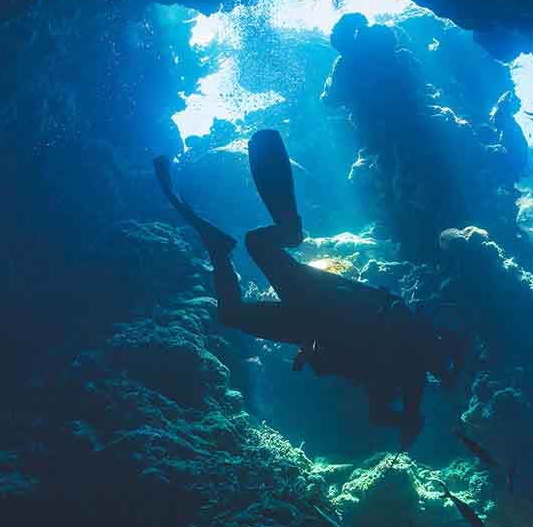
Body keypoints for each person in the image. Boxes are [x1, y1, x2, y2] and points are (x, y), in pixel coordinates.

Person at [153, 128, 463, 448]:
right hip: (315, 310)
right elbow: (383, 410)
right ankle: (260, 240)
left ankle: (232, 246)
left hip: (313, 315)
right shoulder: (411, 369)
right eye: (444, 370)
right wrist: (408, 421)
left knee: (246, 277)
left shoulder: (407, 356)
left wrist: (405, 419)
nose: (439, 375)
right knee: (245, 278)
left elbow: (378, 407)